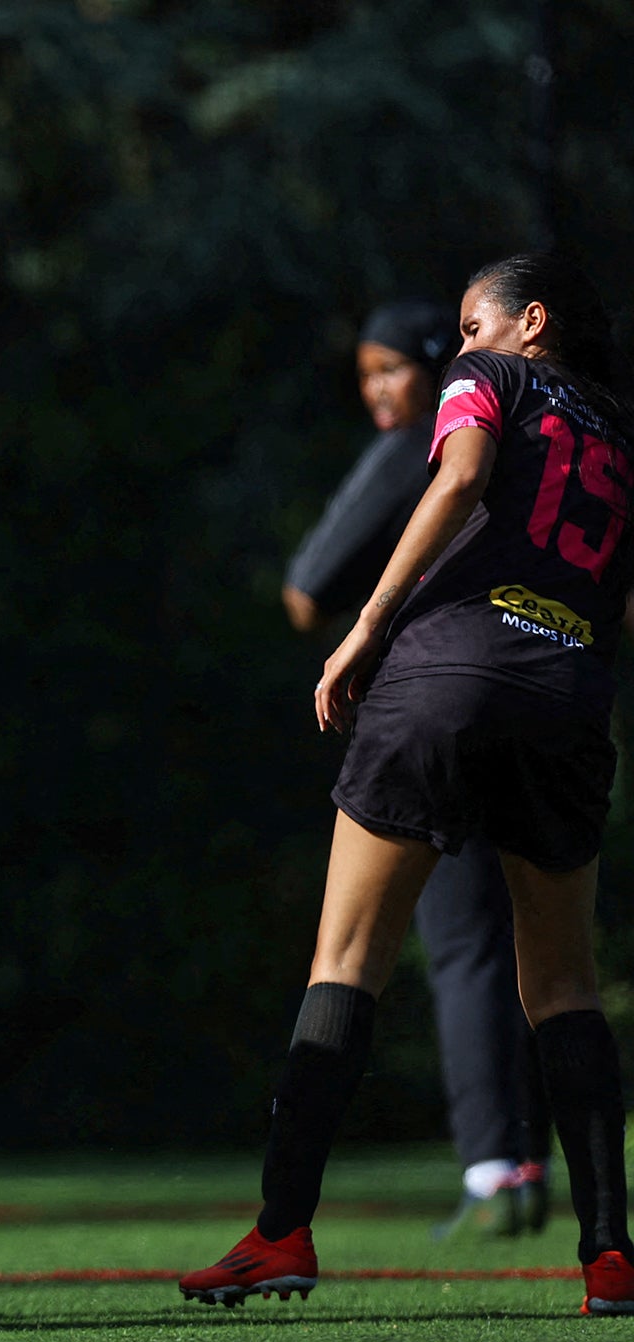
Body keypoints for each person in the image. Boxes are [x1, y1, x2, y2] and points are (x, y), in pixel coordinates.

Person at [180, 252, 634, 1316]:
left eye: (472, 327)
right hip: (567, 697)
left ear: (528, 325)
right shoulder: (617, 433)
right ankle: (609, 1254)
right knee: (562, 985)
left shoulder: (490, 380)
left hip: (442, 679)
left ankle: (279, 1235)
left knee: (345, 962)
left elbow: (461, 476)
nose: (457, 346)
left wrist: (365, 627)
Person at [282, 300, 549, 1239]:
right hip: (541, 696)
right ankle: (531, 1160)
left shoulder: (424, 449)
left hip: (429, 711)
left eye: (391, 369)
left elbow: (306, 588)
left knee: (432, 948)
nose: (376, 392)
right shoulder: (556, 431)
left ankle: (491, 1166)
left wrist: (372, 622)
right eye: (364, 374)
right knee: (536, 952)